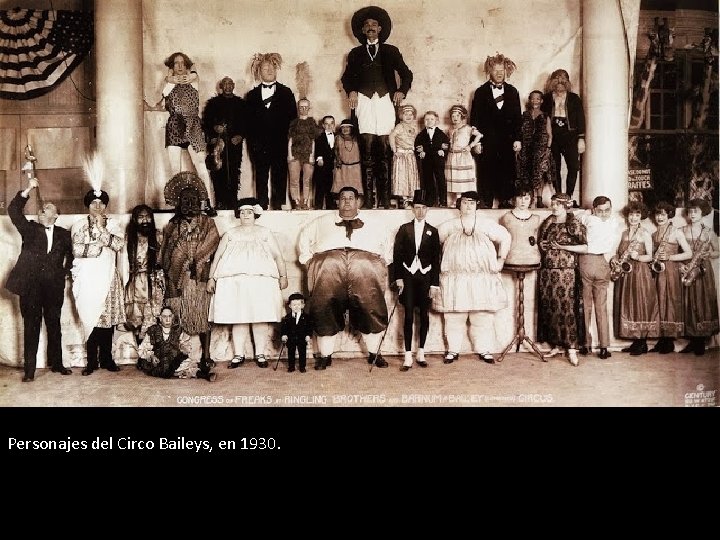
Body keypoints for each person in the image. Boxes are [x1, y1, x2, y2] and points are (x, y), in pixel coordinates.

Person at [298, 186, 394, 369]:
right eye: (343, 198)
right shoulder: (320, 222)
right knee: (324, 309)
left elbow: (389, 246)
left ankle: (375, 353)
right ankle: (325, 356)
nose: (347, 201)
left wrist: (383, 261)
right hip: (329, 271)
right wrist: (309, 261)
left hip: (365, 271)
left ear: (358, 201)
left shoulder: (376, 224)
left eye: (351, 198)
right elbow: (304, 241)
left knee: (371, 309)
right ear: (337, 201)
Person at [341, 5, 413, 209]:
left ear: (380, 29)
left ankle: (385, 199)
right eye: (367, 25)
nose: (371, 27)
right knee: (367, 153)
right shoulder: (355, 53)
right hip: (364, 102)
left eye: (374, 24)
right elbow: (346, 78)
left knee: (385, 151)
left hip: (384, 103)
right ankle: (368, 200)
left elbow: (407, 74)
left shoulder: (391, 51)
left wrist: (401, 91)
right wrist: (351, 91)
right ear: (363, 30)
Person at [207, 197, 288, 368]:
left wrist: (283, 276)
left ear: (255, 214)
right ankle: (239, 354)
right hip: (236, 282)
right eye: (242, 212)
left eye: (249, 212)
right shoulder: (230, 234)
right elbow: (218, 257)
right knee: (239, 317)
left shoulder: (265, 233)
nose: (245, 215)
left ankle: (260, 354)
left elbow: (278, 256)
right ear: (238, 214)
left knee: (260, 316)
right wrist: (211, 278)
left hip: (260, 281)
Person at [6, 177, 73, 381]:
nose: (43, 208)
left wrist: (64, 271)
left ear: (56, 215)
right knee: (31, 328)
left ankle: (57, 364)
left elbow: (71, 256)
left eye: (49, 207)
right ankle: (29, 371)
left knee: (54, 326)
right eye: (43, 208)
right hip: (31, 288)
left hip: (53, 288)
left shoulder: (64, 234)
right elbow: (13, 211)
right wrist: (28, 189)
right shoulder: (30, 229)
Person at [433, 190, 511, 364]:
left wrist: (501, 259)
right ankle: (453, 350)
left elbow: (505, 237)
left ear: (477, 206)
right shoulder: (448, 226)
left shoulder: (486, 224)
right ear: (459, 205)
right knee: (454, 316)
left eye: (472, 203)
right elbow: (432, 244)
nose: (468, 206)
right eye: (465, 203)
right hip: (456, 279)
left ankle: (484, 349)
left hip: (480, 279)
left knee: (482, 315)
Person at [161, 173, 220, 363]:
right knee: (176, 315)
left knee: (203, 315)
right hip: (177, 278)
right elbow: (167, 251)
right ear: (178, 202)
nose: (189, 203)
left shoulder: (208, 222)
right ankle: (174, 354)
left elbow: (212, 243)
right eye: (185, 200)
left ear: (199, 201)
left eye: (193, 199)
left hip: (200, 276)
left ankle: (206, 356)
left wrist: (196, 260)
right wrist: (181, 260)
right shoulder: (172, 225)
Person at [71, 189, 126, 375]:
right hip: (87, 278)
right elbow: (77, 250)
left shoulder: (114, 224)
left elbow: (118, 245)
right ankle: (91, 362)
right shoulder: (79, 225)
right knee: (90, 318)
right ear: (88, 205)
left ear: (105, 205)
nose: (97, 206)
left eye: (101, 203)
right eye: (93, 202)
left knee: (107, 320)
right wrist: (101, 244)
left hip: (107, 276)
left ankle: (107, 359)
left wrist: (102, 229)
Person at [156, 52, 216, 215]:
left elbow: (189, 76)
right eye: (176, 63)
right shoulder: (167, 84)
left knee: (201, 165)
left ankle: (207, 203)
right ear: (172, 66)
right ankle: (177, 204)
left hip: (193, 124)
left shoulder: (193, 79)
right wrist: (168, 78)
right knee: (175, 168)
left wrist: (171, 76)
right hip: (175, 125)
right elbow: (165, 94)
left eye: (183, 63)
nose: (180, 66)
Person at [392, 189, 441, 371]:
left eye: (423, 208)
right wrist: (398, 278)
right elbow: (397, 255)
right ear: (412, 209)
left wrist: (434, 284)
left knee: (424, 315)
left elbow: (436, 259)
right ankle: (407, 356)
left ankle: (421, 352)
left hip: (425, 277)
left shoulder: (433, 231)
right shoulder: (404, 229)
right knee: (408, 315)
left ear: (427, 210)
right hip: (408, 276)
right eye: (417, 208)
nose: (420, 211)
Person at [536, 193, 587, 366]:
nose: (554, 207)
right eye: (553, 204)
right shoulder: (548, 222)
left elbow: (585, 247)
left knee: (567, 309)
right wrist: (542, 245)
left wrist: (563, 246)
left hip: (566, 272)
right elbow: (541, 242)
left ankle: (571, 348)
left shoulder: (574, 223)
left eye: (557, 204)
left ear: (566, 206)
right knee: (550, 308)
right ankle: (556, 345)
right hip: (547, 272)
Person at [245, 53, 298, 210]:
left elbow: (293, 121)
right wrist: (253, 145)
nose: (269, 70)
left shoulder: (286, 93)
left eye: (272, 67)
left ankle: (278, 205)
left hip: (280, 143)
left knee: (280, 174)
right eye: (265, 68)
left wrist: (290, 143)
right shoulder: (252, 95)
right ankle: (261, 206)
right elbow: (248, 123)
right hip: (259, 145)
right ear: (259, 71)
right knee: (260, 175)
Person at [573, 196, 623, 359]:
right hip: (603, 262)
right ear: (596, 210)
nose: (604, 214)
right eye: (601, 211)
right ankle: (604, 347)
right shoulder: (614, 222)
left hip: (587, 261)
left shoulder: (589, 219)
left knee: (585, 305)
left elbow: (576, 215)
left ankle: (585, 345)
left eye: (607, 210)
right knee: (601, 307)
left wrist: (589, 212)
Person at [470, 52, 522, 209]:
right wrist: (476, 142)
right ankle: (486, 200)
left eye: (502, 70)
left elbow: (517, 118)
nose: (499, 73)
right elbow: (475, 118)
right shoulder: (480, 92)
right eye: (496, 70)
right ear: (489, 71)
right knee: (486, 170)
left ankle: (505, 200)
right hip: (487, 140)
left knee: (507, 169)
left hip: (507, 140)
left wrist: (517, 139)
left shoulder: (513, 91)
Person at [612, 202, 659, 356]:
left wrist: (637, 256)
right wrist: (615, 258)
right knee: (629, 305)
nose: (633, 218)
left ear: (641, 216)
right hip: (626, 273)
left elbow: (650, 257)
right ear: (627, 216)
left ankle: (642, 343)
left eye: (637, 215)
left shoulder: (645, 233)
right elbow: (618, 252)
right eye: (631, 214)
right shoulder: (624, 233)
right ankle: (635, 341)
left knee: (640, 304)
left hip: (640, 273)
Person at [648, 202, 692, 354]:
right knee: (659, 302)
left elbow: (689, 253)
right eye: (657, 214)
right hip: (658, 271)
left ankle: (669, 341)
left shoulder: (676, 232)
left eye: (663, 214)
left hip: (671, 271)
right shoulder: (654, 234)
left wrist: (670, 257)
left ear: (669, 215)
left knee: (670, 302)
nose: (659, 217)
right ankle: (662, 339)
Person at [121, 204, 165, 347]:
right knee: (136, 318)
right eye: (141, 217)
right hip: (134, 282)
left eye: (148, 217)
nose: (145, 220)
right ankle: (141, 352)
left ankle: (153, 352)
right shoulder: (128, 238)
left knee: (153, 317)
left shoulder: (159, 236)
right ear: (135, 219)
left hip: (154, 281)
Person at [201, 76, 248, 210]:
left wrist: (240, 136)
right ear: (221, 87)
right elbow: (206, 123)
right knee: (217, 171)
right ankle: (220, 201)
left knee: (234, 171)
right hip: (217, 143)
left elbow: (247, 123)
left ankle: (232, 201)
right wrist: (214, 130)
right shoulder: (213, 103)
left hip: (234, 144)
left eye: (230, 84)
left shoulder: (241, 103)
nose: (228, 86)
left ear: (233, 86)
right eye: (225, 84)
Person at [679, 198, 719, 356]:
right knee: (687, 302)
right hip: (687, 269)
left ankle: (700, 341)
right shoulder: (682, 230)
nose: (692, 214)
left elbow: (718, 251)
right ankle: (692, 340)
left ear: (703, 213)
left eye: (696, 211)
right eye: (690, 211)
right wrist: (682, 265)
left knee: (702, 303)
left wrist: (709, 254)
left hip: (703, 271)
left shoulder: (708, 232)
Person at [137, 306, 216, 381]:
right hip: (158, 360)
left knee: (185, 365)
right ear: (160, 318)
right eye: (164, 317)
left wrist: (183, 348)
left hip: (173, 360)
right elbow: (143, 348)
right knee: (152, 366)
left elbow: (186, 346)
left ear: (172, 317)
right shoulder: (153, 330)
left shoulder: (178, 330)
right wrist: (152, 356)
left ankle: (203, 375)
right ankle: (198, 373)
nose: (167, 319)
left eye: (169, 316)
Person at [541, 69, 586, 201]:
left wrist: (581, 138)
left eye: (563, 80)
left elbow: (580, 118)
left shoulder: (574, 98)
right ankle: (558, 194)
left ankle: (569, 196)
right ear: (552, 82)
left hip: (570, 135)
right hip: (552, 135)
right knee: (554, 166)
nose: (560, 82)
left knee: (573, 166)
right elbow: (541, 118)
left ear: (568, 82)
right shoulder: (546, 98)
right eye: (557, 79)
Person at [517, 90, 555, 207]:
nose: (535, 101)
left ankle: (539, 199)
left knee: (540, 173)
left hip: (541, 148)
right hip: (526, 147)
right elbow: (520, 132)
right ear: (529, 100)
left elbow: (550, 134)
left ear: (541, 101)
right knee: (526, 173)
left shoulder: (545, 116)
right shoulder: (524, 115)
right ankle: (531, 199)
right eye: (533, 98)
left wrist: (547, 149)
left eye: (538, 99)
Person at [445, 105, 482, 208]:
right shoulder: (450, 129)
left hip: (463, 156)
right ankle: (455, 200)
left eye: (457, 116)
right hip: (453, 155)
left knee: (462, 177)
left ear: (462, 116)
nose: (455, 118)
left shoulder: (468, 128)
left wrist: (470, 146)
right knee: (454, 177)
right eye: (453, 116)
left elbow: (479, 135)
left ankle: (462, 200)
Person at [287, 98, 321, 209]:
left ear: (309, 108)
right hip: (295, 154)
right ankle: (296, 202)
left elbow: (313, 140)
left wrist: (312, 155)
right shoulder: (293, 123)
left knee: (307, 180)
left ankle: (306, 202)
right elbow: (290, 139)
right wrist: (290, 155)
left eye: (306, 107)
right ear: (298, 108)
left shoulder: (312, 122)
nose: (303, 109)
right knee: (294, 180)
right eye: (301, 107)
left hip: (308, 154)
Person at [415, 110, 450, 207]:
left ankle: (442, 200)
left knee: (440, 178)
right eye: (427, 119)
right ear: (424, 121)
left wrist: (443, 151)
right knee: (427, 179)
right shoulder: (421, 135)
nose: (429, 121)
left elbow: (446, 143)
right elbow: (417, 145)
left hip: (438, 159)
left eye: (432, 119)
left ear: (436, 121)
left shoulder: (441, 134)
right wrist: (420, 152)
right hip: (426, 160)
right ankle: (430, 200)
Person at [499, 189, 542, 267]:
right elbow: (504, 239)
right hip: (513, 256)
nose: (523, 201)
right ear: (515, 199)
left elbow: (535, 240)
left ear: (531, 200)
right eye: (520, 198)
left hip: (532, 256)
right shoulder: (507, 217)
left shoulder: (536, 218)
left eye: (526, 198)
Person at [388, 104, 420, 207]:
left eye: (410, 114)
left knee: (411, 175)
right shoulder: (400, 126)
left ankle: (411, 197)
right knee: (402, 176)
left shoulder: (414, 127)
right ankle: (404, 198)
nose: (408, 116)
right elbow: (391, 136)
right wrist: (394, 150)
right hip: (401, 155)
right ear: (402, 116)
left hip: (411, 155)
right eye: (406, 114)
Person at [280, 293, 313, 373]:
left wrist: (308, 335)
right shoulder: (287, 317)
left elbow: (309, 327)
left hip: (302, 338)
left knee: (302, 352)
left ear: (303, 305)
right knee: (291, 352)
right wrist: (284, 335)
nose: (296, 307)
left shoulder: (306, 317)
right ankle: (291, 366)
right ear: (290, 306)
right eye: (294, 305)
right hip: (291, 338)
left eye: (299, 304)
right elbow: (284, 328)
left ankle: (302, 367)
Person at [332, 119, 363, 198]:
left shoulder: (357, 138)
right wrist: (338, 161)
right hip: (342, 168)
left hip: (356, 168)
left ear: (351, 128)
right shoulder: (337, 138)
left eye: (347, 127)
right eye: (343, 127)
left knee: (356, 191)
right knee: (341, 190)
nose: (345, 129)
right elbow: (335, 151)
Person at [313, 115, 337, 210]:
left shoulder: (337, 137)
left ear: (334, 124)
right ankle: (318, 206)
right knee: (320, 186)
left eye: (331, 123)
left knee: (331, 187)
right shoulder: (320, 137)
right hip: (323, 165)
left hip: (333, 166)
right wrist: (319, 158)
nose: (329, 126)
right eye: (326, 124)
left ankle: (330, 207)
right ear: (323, 125)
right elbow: (318, 149)